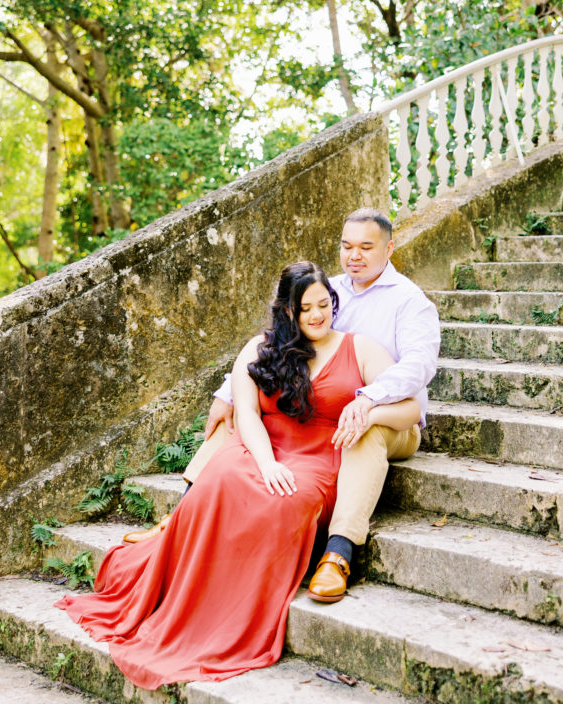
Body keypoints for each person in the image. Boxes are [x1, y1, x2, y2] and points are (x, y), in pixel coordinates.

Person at [55, 261, 420, 690]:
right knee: (225, 474)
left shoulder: (360, 348)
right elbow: (245, 412)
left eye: (325, 304)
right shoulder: (259, 349)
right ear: (287, 311)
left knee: (287, 501)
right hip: (268, 446)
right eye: (307, 309)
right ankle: (183, 537)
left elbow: (412, 409)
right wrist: (266, 463)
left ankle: (282, 583)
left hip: (323, 454)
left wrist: (369, 408)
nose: (318, 315)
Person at [132, 207, 441, 605]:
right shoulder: (330, 289)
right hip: (321, 406)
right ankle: (180, 518)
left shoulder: (409, 302)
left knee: (364, 430)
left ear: (389, 247)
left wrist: (368, 400)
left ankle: (339, 553)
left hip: (391, 416)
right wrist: (228, 392)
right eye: (347, 246)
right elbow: (279, 341)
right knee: (244, 416)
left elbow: (419, 368)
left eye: (366, 247)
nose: (355, 255)